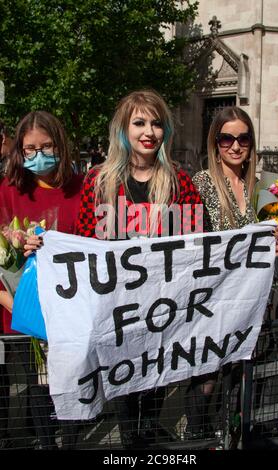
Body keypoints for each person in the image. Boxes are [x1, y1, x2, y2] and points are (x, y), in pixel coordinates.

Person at [76, 89, 203, 448]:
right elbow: (83, 239)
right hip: (118, 302)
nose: (149, 131)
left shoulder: (179, 182)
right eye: (139, 122)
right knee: (123, 372)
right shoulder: (98, 183)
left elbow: (201, 240)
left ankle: (149, 433)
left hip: (165, 302)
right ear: (123, 129)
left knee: (158, 370)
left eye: (157, 123)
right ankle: (132, 437)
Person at [185, 106, 278, 441]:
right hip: (213, 301)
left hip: (253, 302)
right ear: (215, 142)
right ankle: (197, 439)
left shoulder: (262, 187)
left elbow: (275, 235)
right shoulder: (200, 184)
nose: (235, 145)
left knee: (241, 378)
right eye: (227, 138)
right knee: (207, 379)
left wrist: (277, 246)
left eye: (243, 138)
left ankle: (233, 436)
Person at [0, 110, 84, 449]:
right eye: (30, 149)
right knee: (37, 387)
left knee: (71, 384)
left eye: (47, 147)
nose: (38, 156)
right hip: (19, 311)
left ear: (61, 145)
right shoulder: (6, 190)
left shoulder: (81, 187)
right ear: (19, 150)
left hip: (70, 310)